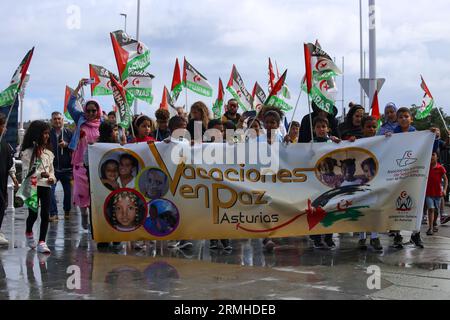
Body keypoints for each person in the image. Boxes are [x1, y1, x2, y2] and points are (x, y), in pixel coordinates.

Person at [68, 78, 103, 230]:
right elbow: (70, 105)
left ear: (98, 111)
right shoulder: (80, 119)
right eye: (87, 110)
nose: (90, 113)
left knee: (94, 193)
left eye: (93, 111)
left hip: (96, 164)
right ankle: (84, 216)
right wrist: (78, 86)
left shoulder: (103, 124)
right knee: (81, 192)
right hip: (80, 163)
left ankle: (94, 218)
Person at [387, 107, 423, 248]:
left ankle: (416, 234)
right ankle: (397, 235)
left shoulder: (417, 134)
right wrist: (388, 139)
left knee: (415, 205)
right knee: (397, 205)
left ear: (411, 119)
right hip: (398, 176)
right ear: (397, 119)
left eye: (406, 116)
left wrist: (435, 136)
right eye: (400, 117)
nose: (403, 119)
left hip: (413, 176)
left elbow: (429, 149)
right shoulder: (394, 133)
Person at [21, 121, 56, 254]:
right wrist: (40, 174)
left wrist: (52, 178)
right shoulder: (28, 153)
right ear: (37, 134)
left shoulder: (48, 153)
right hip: (33, 186)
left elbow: (51, 170)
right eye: (44, 133)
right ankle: (29, 231)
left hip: (46, 186)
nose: (47, 136)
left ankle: (42, 241)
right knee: (33, 214)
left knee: (45, 214)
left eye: (48, 133)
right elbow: (26, 173)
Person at [310, 117, 341, 250]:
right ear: (314, 129)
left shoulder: (332, 141)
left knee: (330, 207)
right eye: (318, 126)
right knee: (317, 208)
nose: (321, 129)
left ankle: (329, 237)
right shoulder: (311, 143)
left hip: (330, 180)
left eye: (324, 126)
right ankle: (317, 238)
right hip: (316, 181)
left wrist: (337, 142)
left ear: (328, 129)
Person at [357, 116, 383, 252]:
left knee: (375, 208)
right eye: (368, 127)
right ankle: (362, 237)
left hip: (377, 180)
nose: (372, 129)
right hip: (363, 181)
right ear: (362, 128)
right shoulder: (357, 142)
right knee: (362, 209)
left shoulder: (381, 141)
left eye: (374, 127)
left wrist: (390, 139)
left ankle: (374, 236)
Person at [49, 112, 73, 222]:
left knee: (68, 193)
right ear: (51, 121)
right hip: (53, 169)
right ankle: (53, 213)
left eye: (59, 119)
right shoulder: (48, 134)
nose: (57, 121)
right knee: (50, 190)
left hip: (67, 169)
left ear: (62, 120)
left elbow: (75, 147)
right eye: (55, 119)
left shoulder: (68, 133)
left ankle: (67, 210)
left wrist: (67, 145)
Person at [425, 152, 448, 236]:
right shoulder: (426, 167)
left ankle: (434, 222)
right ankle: (430, 228)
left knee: (436, 211)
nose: (431, 157)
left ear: (437, 157)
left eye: (433, 155)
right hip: (428, 193)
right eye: (430, 155)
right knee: (431, 209)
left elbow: (446, 180)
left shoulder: (440, 168)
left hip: (438, 194)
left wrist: (444, 190)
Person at [0, 114, 14, 246]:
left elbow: (10, 164)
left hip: (2, 183)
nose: (4, 129)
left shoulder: (4, 145)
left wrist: (14, 177)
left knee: (1, 206)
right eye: (2, 126)